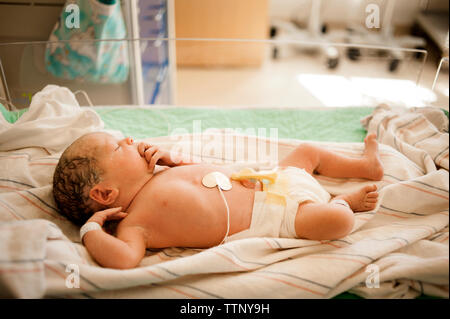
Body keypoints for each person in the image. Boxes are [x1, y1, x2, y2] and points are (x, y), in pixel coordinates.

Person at [53, 132, 383, 269]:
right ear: (104, 194)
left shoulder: (160, 172)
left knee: (308, 153)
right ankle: (345, 203)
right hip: (278, 216)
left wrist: (172, 160)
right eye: (117, 147)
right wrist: (92, 229)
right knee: (338, 223)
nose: (127, 140)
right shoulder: (135, 223)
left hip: (274, 178)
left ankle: (365, 166)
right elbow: (124, 260)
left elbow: (204, 172)